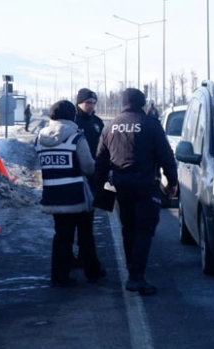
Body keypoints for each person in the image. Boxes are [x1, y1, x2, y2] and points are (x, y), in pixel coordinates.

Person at [95, 88, 178, 296]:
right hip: (146, 183)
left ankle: (132, 270)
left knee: (128, 228)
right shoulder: (151, 124)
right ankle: (136, 277)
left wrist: (99, 188)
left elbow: (101, 160)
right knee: (144, 230)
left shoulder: (110, 126)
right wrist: (173, 183)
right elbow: (166, 156)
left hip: (121, 184)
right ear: (142, 103)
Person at [35, 100, 106, 287]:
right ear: (72, 116)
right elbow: (89, 167)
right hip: (76, 195)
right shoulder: (76, 138)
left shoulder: (40, 138)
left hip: (52, 194)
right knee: (85, 234)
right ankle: (93, 271)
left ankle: (59, 276)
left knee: (61, 236)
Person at [73, 88, 105, 268]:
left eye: (93, 103)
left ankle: (84, 255)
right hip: (75, 176)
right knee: (72, 222)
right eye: (88, 103)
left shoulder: (97, 122)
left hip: (93, 175)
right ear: (79, 103)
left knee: (88, 218)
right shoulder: (73, 122)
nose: (91, 106)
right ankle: (75, 256)